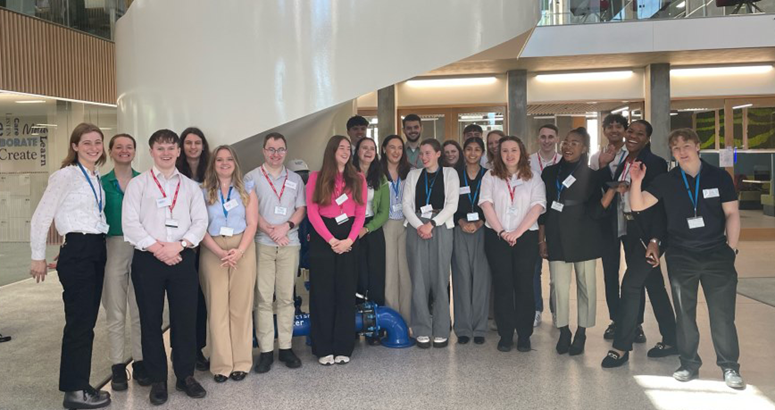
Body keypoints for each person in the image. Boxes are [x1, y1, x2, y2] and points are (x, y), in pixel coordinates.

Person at [629, 128, 745, 389]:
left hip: (717, 254)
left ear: (697, 147)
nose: (681, 152)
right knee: (684, 314)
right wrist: (636, 181)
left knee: (722, 315)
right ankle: (689, 363)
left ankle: (729, 367)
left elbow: (732, 214)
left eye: (686, 146)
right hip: (682, 256)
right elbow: (637, 205)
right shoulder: (667, 180)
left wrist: (731, 249)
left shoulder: (718, 177)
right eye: (676, 148)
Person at [123, 129, 208, 405]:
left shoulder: (190, 186)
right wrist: (158, 248)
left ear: (178, 152)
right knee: (150, 320)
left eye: (171, 148)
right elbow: (130, 224)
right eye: (160, 148)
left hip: (182, 258)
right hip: (148, 259)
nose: (166, 153)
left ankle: (185, 376)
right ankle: (158, 378)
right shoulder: (139, 185)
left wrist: (180, 245)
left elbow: (200, 222)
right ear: (151, 152)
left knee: (185, 318)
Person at [30, 123, 112, 409]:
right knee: (79, 325)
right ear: (75, 146)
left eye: (98, 142)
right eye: (86, 143)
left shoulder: (94, 175)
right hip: (79, 252)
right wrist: (37, 256)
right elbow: (42, 216)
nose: (93, 147)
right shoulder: (65, 175)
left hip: (92, 250)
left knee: (85, 324)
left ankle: (79, 384)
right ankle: (74, 393)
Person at [599, 120, 677, 369]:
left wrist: (655, 240)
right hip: (630, 231)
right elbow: (619, 190)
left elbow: (660, 206)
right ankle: (672, 338)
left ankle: (621, 347)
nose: (632, 136)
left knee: (630, 285)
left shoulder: (654, 163)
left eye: (639, 133)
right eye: (630, 131)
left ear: (647, 139)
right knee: (654, 286)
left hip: (649, 235)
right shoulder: (625, 160)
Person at [538, 128, 613, 356]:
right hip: (556, 232)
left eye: (575, 143)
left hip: (585, 234)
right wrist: (541, 239)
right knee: (559, 287)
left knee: (586, 286)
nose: (569, 147)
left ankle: (581, 332)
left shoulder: (593, 174)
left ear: (584, 148)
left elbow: (599, 209)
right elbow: (544, 207)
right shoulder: (550, 173)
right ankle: (563, 330)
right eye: (567, 142)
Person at [244, 133, 306, 374]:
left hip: (289, 242)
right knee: (263, 298)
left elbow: (301, 208)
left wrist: (286, 227)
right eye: (271, 149)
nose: (275, 154)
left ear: (286, 152)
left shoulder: (295, 179)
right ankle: (266, 351)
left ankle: (287, 348)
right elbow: (250, 208)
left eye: (280, 149)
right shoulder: (251, 177)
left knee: (286, 298)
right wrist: (270, 230)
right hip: (263, 242)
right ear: (263, 151)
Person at [480, 136, 546, 353]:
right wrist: (502, 231)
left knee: (524, 285)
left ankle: (525, 334)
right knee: (503, 286)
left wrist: (516, 232)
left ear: (522, 152)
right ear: (499, 154)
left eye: (514, 150)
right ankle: (506, 334)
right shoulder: (490, 176)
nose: (509, 154)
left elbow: (537, 207)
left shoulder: (534, 177)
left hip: (525, 237)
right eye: (505, 150)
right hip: (497, 236)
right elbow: (486, 205)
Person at [199, 145, 258, 383]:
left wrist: (239, 251)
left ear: (235, 162)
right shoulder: (201, 191)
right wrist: (218, 251)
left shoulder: (247, 189)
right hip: (212, 249)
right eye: (219, 160)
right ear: (213, 163)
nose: (224, 163)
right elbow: (198, 226)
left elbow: (252, 223)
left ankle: (241, 362)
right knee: (217, 309)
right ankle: (221, 364)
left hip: (242, 248)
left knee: (241, 308)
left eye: (229, 159)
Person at [306, 135, 367, 365]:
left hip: (349, 237)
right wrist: (331, 240)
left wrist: (349, 240)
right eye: (340, 147)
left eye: (348, 148)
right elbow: (312, 213)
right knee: (322, 294)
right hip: (324, 239)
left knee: (345, 292)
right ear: (331, 151)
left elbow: (360, 213)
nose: (345, 151)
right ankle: (323, 348)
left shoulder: (358, 177)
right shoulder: (316, 177)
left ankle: (344, 346)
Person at [101, 133, 149, 391]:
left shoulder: (144, 181)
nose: (124, 150)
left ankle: (140, 362)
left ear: (135, 151)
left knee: (140, 310)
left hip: (141, 248)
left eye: (129, 147)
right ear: (110, 151)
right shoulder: (101, 183)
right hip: (113, 247)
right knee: (115, 311)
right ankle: (118, 366)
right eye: (118, 147)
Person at [402, 138, 459, 349]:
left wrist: (432, 224)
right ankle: (421, 328)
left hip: (441, 225)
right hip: (416, 226)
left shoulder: (450, 174)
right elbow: (406, 204)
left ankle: (442, 328)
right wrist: (420, 225)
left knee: (440, 278)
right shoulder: (413, 174)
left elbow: (452, 204)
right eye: (421, 154)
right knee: (418, 278)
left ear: (438, 154)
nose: (423, 157)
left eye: (428, 153)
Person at [589, 114, 632, 340]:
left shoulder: (633, 156)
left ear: (625, 130)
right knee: (610, 274)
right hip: (607, 224)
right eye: (610, 127)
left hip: (631, 221)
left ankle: (636, 322)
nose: (614, 130)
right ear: (604, 130)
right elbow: (595, 188)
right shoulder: (596, 158)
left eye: (619, 127)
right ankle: (616, 319)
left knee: (634, 274)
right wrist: (603, 165)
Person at [176, 127, 211, 371]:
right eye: (188, 143)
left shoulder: (212, 172)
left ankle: (198, 348)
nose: (193, 147)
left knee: (202, 300)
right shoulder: (175, 174)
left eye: (197, 142)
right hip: (184, 244)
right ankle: (181, 350)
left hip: (209, 243)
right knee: (184, 301)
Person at [451, 137, 490, 345]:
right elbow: (448, 201)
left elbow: (493, 202)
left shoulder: (489, 175)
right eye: (468, 149)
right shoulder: (454, 175)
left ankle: (480, 328)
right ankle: (463, 328)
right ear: (463, 152)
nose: (472, 153)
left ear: (482, 152)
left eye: (477, 149)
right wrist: (460, 221)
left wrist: (482, 222)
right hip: (460, 229)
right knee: (461, 278)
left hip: (484, 229)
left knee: (482, 280)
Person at [352, 137, 389, 330]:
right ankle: (355, 323)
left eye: (372, 148)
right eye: (364, 148)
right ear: (357, 151)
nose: (368, 151)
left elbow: (384, 212)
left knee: (375, 277)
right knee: (357, 276)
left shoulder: (380, 177)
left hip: (372, 228)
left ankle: (376, 326)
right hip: (350, 229)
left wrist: (367, 228)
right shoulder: (347, 174)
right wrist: (355, 229)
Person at [528, 124, 560, 327]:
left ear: (557, 139)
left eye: (550, 137)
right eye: (543, 137)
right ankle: (536, 309)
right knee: (534, 270)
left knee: (557, 272)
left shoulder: (564, 160)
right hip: (533, 218)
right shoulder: (529, 161)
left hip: (557, 219)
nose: (547, 140)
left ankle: (558, 311)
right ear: (537, 139)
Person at [380, 135, 412, 323]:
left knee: (406, 274)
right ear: (384, 149)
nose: (396, 151)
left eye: (400, 147)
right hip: (385, 224)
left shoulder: (411, 172)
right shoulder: (377, 173)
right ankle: (392, 320)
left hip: (407, 224)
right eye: (392, 147)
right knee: (389, 273)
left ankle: (407, 320)